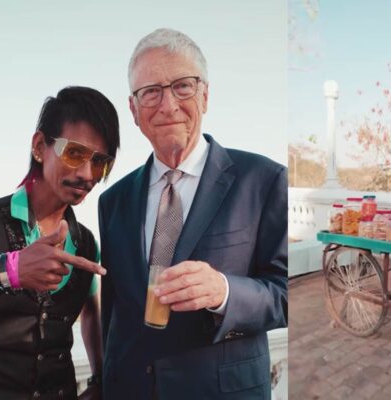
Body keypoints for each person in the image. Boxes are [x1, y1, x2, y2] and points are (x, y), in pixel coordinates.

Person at [98, 28, 287, 399]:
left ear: (205, 95)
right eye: (150, 92)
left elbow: (286, 293)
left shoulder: (264, 179)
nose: (167, 105)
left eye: (182, 86)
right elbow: (113, 312)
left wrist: (225, 291)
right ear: (134, 110)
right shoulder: (113, 200)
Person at [0, 86, 119, 399]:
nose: (88, 174)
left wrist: (100, 379)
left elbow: (92, 312)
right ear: (40, 146)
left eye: (100, 161)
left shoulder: (86, 243)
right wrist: (10, 269)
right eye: (74, 153)